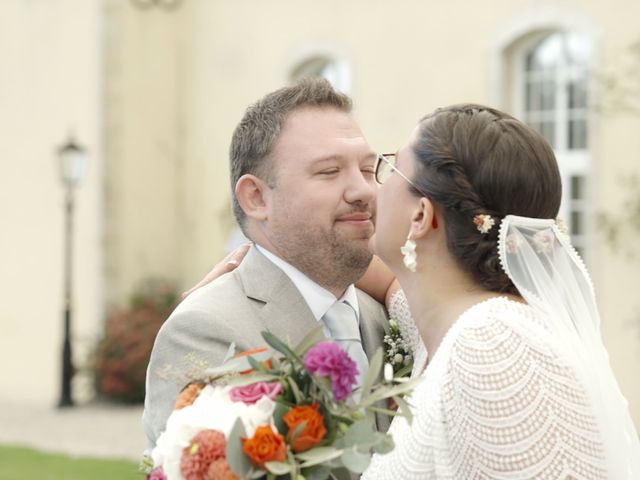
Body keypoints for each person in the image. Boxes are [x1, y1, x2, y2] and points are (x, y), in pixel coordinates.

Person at [197, 104, 640, 478]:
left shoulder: (492, 345)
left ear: (420, 216)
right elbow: (389, 281)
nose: (367, 190)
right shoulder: (455, 321)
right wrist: (239, 281)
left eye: (387, 169)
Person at [142, 78, 389, 451]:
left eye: (369, 170)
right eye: (329, 172)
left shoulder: (387, 316)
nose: (364, 191)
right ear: (256, 198)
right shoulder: (204, 331)